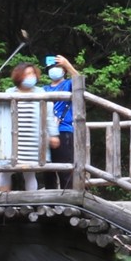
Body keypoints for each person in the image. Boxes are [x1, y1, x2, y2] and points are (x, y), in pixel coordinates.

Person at [6, 61, 54, 191]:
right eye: (27, 74)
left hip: (33, 139)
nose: (31, 76)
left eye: (33, 73)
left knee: (30, 172)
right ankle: (3, 200)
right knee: (5, 170)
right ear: (19, 76)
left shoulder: (41, 92)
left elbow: (49, 115)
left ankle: (32, 201)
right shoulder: (9, 92)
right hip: (13, 138)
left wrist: (53, 134)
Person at [43, 54, 82, 188]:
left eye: (57, 67)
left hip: (64, 129)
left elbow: (80, 82)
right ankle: (50, 201)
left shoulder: (68, 84)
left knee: (65, 167)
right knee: (47, 169)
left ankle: (67, 198)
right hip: (46, 132)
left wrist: (67, 64)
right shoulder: (43, 89)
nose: (54, 69)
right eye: (51, 67)